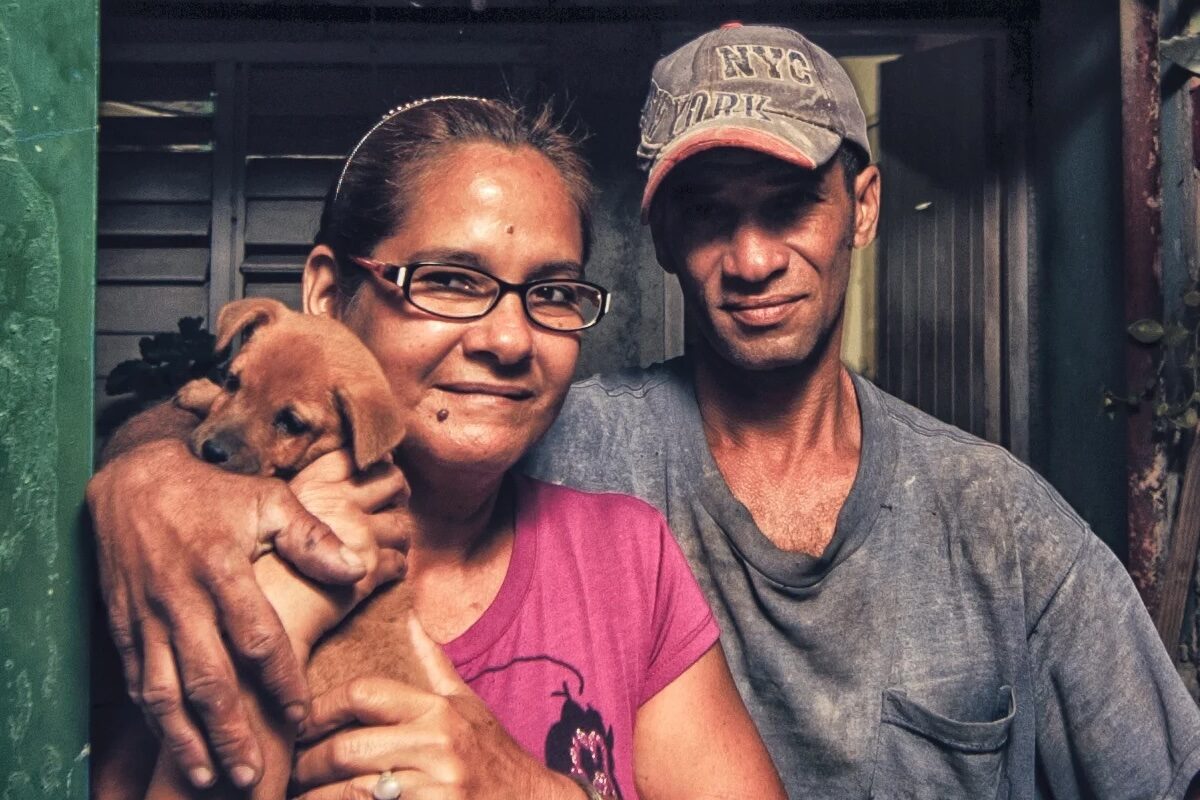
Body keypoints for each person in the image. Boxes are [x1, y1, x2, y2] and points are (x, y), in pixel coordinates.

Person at [88, 24, 1200, 800]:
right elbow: (273, 392)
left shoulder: (995, 519)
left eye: (791, 204)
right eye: (711, 214)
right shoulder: (553, 432)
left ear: (861, 207)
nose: (754, 256)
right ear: (661, 236)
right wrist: (148, 471)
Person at [88, 95, 785, 800]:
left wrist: (530, 792)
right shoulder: (188, 543)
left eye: (551, 292)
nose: (509, 340)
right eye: (449, 280)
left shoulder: (627, 556)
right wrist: (149, 469)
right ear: (328, 293)